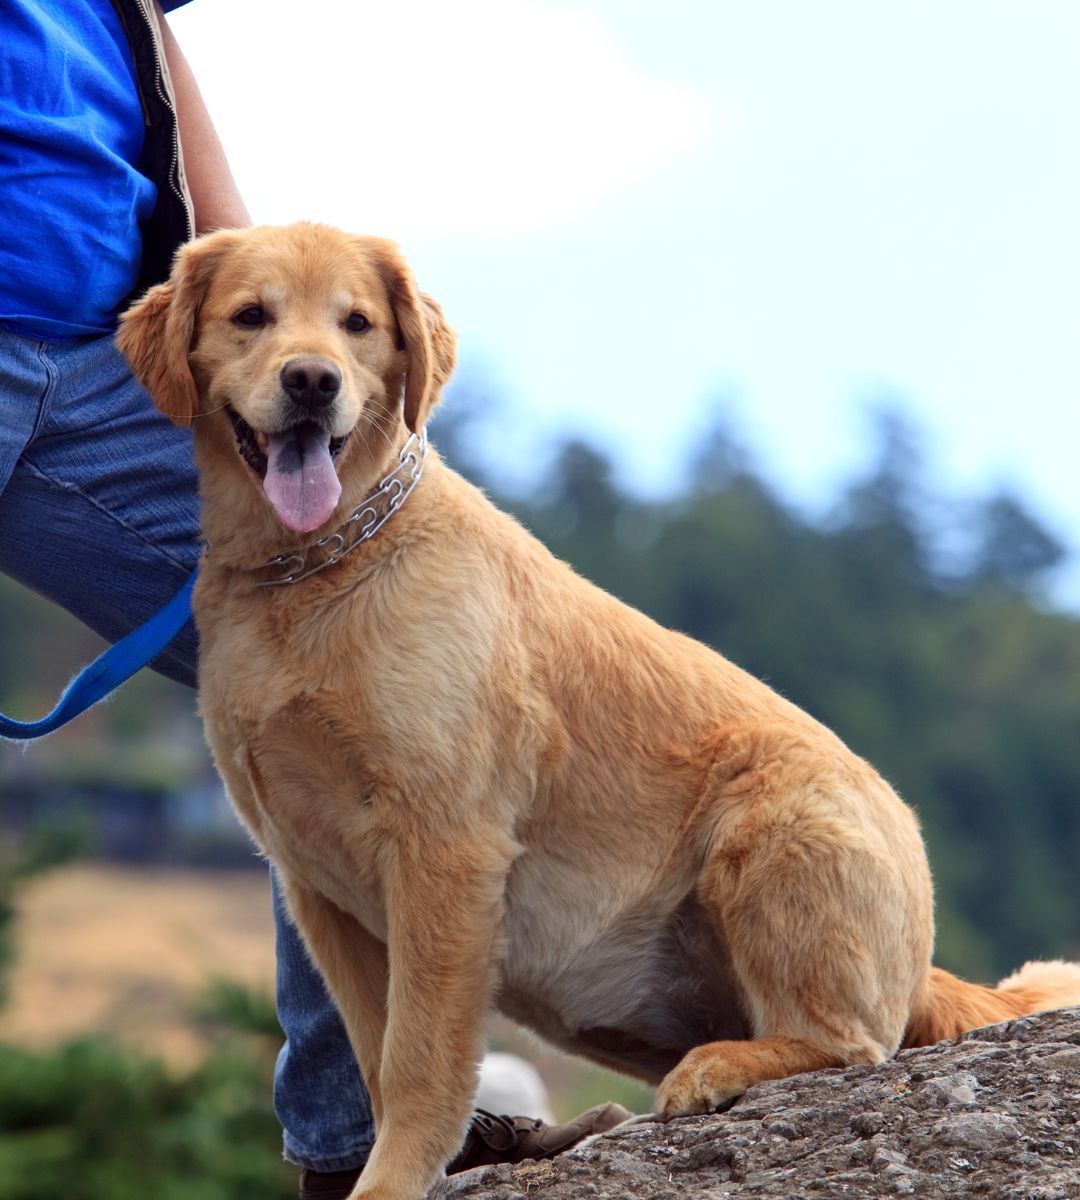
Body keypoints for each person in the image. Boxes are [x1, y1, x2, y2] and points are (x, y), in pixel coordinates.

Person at [0, 3, 628, 1197]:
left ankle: (359, 1147)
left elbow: (150, 54)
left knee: (349, 687)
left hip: (100, 354)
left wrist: (259, 301)